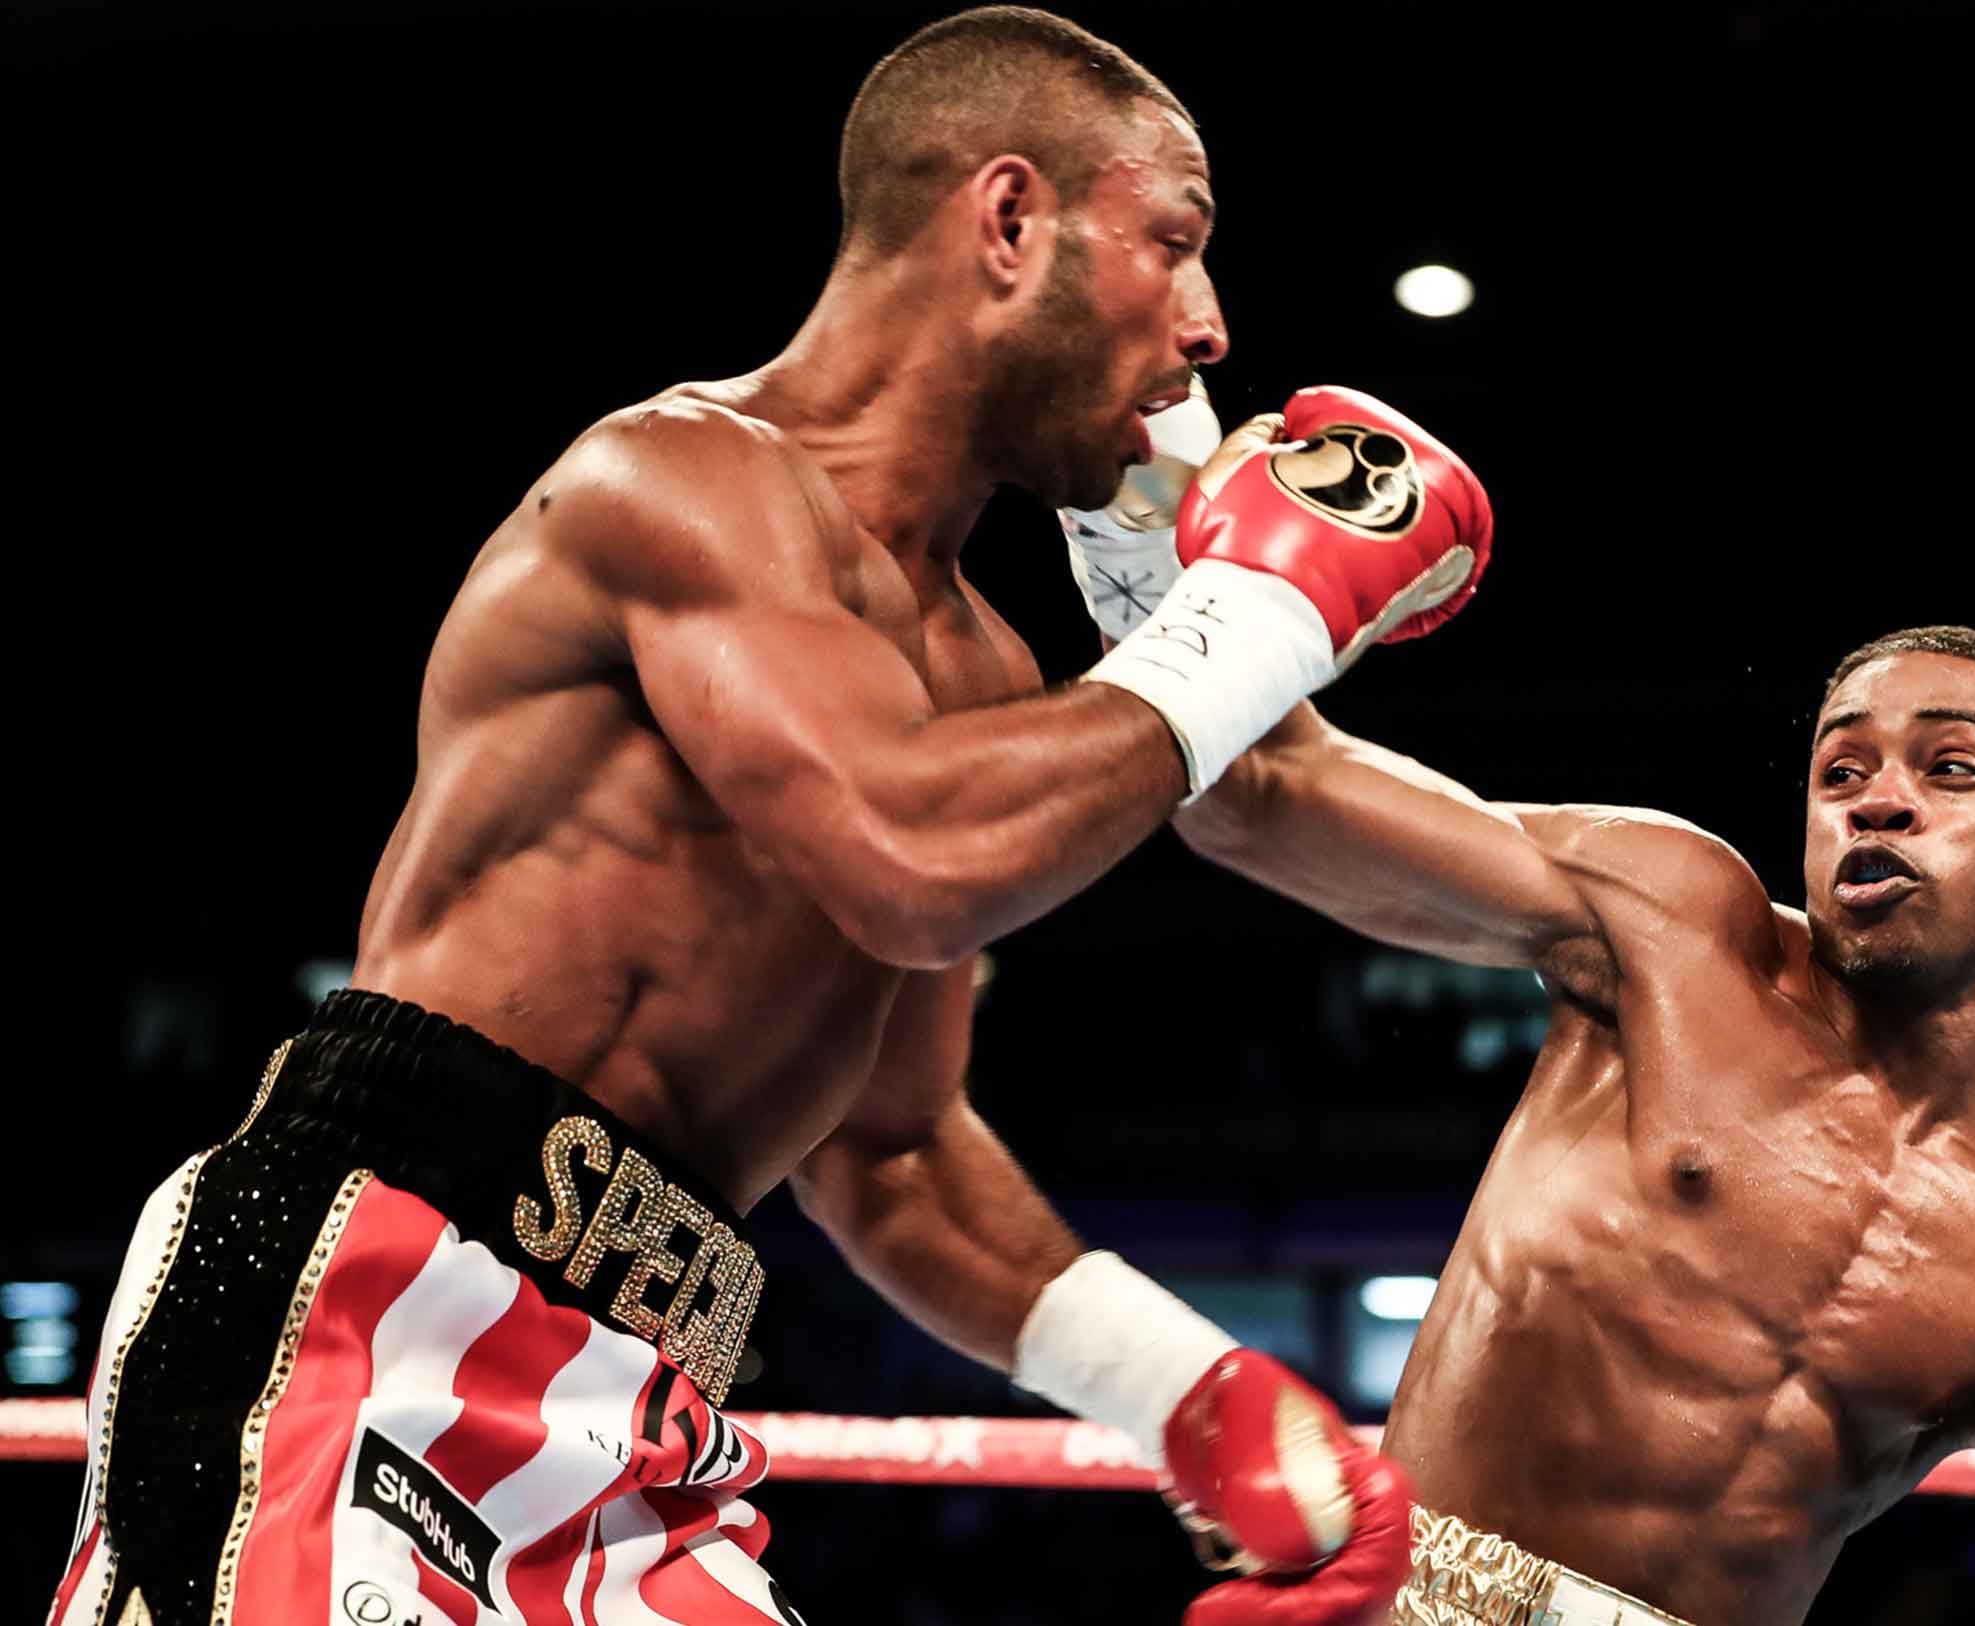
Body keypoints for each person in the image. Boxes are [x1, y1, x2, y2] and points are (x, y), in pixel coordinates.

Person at [48, 9, 1491, 1626]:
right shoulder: (677, 481)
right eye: (1178, 244)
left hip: (645, 1405)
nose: (1215, 328)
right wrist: (1266, 612)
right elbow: (913, 860)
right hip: (365, 1309)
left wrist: (1192, 1393)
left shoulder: (987, 674)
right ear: (1011, 223)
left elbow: (894, 1150)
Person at [1162, 616, 1975, 1626]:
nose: (1880, 798)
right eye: (1841, 771)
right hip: (1411, 1595)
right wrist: (1148, 508)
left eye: (1954, 769)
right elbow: (1259, 796)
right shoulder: (1675, 932)